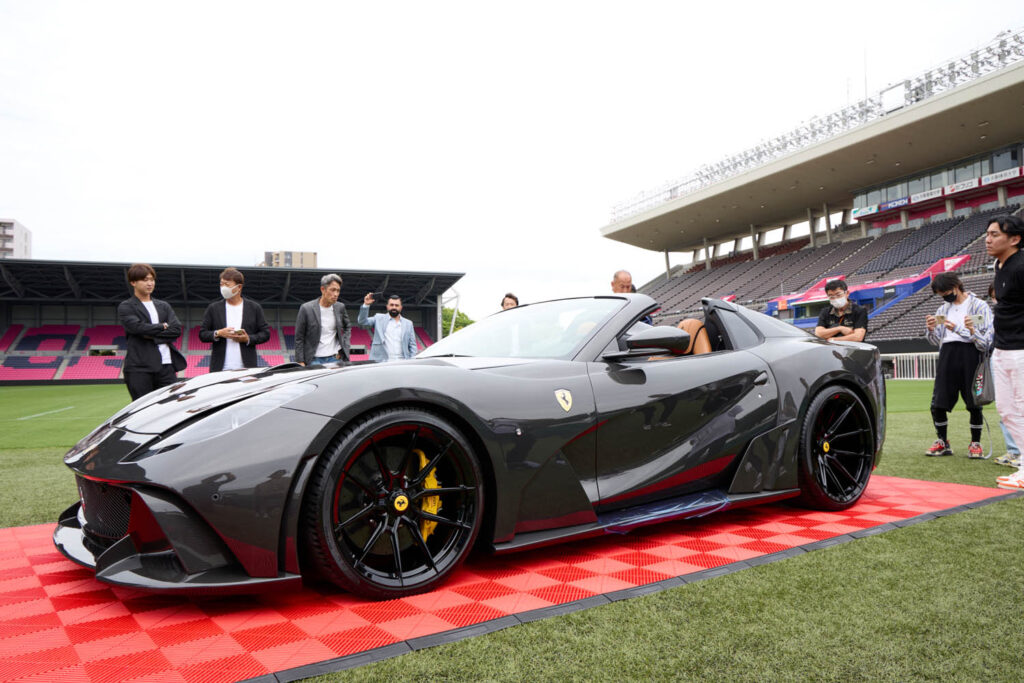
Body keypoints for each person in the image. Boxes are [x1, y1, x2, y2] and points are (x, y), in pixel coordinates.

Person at [923, 272, 993, 457]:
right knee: (938, 402)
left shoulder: (979, 306)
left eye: (945, 292)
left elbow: (985, 339)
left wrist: (960, 329)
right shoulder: (942, 310)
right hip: (947, 355)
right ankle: (942, 441)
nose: (945, 297)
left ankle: (975, 443)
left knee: (974, 402)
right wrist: (930, 330)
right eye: (941, 295)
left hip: (971, 355)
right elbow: (936, 339)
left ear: (955, 287)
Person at [985, 215, 1024, 489]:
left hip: (1021, 349)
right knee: (1007, 410)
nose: (988, 239)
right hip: (1002, 348)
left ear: (1014, 239)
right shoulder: (1000, 266)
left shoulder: (1021, 266)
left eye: (995, 234)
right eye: (987, 234)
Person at [117, 263, 187, 400]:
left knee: (172, 406)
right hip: (140, 368)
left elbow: (176, 330)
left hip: (167, 367)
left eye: (151, 279)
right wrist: (162, 326)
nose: (149, 283)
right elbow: (137, 328)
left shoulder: (163, 306)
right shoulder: (126, 306)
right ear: (133, 282)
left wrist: (151, 334)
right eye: (145, 280)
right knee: (143, 411)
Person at [199, 267, 270, 372]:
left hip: (247, 369)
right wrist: (218, 333)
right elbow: (202, 334)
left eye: (227, 285)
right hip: (220, 369)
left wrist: (248, 339)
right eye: (221, 284)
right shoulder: (213, 308)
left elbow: (265, 333)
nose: (223, 288)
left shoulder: (254, 308)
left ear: (239, 287)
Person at [987, 284, 1020, 468]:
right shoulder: (997, 317)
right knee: (1006, 406)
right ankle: (1014, 450)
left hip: (1017, 356)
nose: (996, 301)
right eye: (994, 297)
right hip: (1000, 354)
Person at [294, 273, 352, 366]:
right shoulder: (306, 308)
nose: (336, 294)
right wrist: (300, 361)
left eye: (338, 291)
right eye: (332, 290)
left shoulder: (340, 307)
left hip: (336, 359)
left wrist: (345, 344)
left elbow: (348, 326)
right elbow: (299, 337)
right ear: (323, 289)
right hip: (314, 361)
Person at [359, 292, 417, 362]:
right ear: (387, 306)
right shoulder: (378, 318)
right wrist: (366, 305)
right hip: (382, 363)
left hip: (402, 362)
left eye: (396, 305)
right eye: (391, 305)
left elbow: (412, 345)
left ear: (401, 307)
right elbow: (362, 321)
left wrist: (412, 361)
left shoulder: (408, 323)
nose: (394, 307)